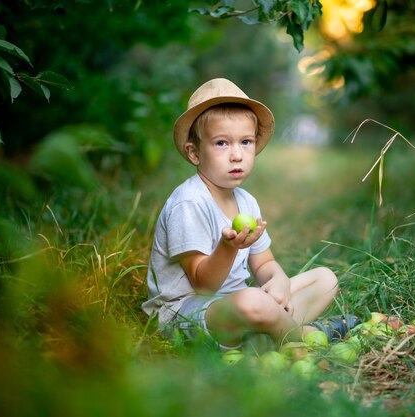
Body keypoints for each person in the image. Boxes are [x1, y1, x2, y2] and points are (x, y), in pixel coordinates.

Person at [142, 78, 359, 350]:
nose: (236, 155)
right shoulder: (189, 203)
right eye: (221, 143)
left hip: (237, 306)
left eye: (245, 142)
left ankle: (260, 338)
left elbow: (264, 264)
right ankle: (302, 337)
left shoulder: (246, 202)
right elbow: (204, 285)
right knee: (253, 302)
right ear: (195, 152)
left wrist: (277, 280)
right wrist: (228, 247)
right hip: (187, 314)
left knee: (325, 279)